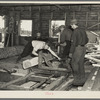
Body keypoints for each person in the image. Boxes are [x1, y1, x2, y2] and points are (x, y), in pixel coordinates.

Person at [69, 19, 89, 86]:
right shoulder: (83, 30)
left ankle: (77, 79)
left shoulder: (75, 31)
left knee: (74, 63)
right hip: (83, 48)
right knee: (80, 63)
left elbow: (73, 43)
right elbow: (87, 40)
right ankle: (82, 78)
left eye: (71, 25)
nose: (71, 27)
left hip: (78, 48)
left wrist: (71, 52)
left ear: (74, 24)